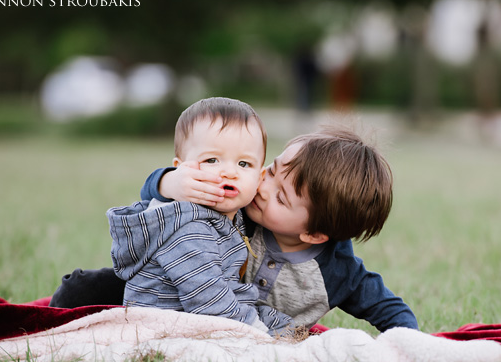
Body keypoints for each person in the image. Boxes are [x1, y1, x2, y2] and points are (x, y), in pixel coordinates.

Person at [51, 126, 418, 333]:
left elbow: (390, 309)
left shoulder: (338, 274)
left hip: (248, 330)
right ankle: (52, 323)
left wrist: (408, 343)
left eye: (281, 197)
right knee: (83, 288)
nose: (262, 187)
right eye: (271, 170)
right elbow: (156, 198)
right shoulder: (238, 206)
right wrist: (170, 182)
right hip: (171, 292)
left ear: (314, 235)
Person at [105, 96, 291, 334]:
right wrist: (257, 331)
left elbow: (230, 292)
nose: (229, 172)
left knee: (287, 326)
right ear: (180, 169)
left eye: (244, 164)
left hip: (210, 312)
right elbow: (208, 300)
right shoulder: (187, 227)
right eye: (212, 160)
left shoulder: (235, 215)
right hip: (162, 325)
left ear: (259, 177)